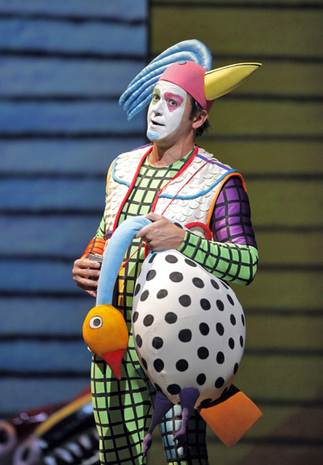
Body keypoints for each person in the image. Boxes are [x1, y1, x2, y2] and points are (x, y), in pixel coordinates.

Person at [72, 40, 260, 465]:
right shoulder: (122, 167)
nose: (156, 109)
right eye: (155, 98)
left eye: (171, 101)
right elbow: (105, 235)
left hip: (178, 345)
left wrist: (184, 241)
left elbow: (246, 264)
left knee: (183, 457)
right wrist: (87, 264)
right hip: (113, 340)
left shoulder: (218, 182)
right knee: (116, 455)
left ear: (199, 116)